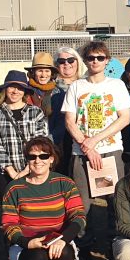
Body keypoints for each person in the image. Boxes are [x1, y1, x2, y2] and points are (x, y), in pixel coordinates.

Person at [1, 136, 86, 260]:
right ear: (27, 160)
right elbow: (8, 224)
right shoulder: (14, 188)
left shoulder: (64, 183)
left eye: (43, 156)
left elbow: (78, 216)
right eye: (32, 157)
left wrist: (63, 239)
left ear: (51, 159)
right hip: (26, 243)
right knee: (38, 255)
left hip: (58, 239)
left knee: (64, 252)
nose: (37, 161)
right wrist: (25, 242)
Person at [62, 40, 130, 260]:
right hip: (81, 153)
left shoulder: (116, 86)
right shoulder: (76, 87)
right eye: (91, 58)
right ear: (85, 61)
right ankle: (83, 247)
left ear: (107, 61)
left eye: (100, 58)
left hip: (110, 150)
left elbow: (124, 118)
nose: (95, 61)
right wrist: (86, 145)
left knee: (115, 201)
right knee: (82, 203)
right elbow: (69, 121)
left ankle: (116, 246)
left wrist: (94, 141)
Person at [0, 70, 50, 199]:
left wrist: (26, 170)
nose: (15, 91)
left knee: (32, 205)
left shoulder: (35, 112)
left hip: (33, 168)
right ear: (5, 89)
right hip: (5, 171)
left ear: (25, 91)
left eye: (20, 88)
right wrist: (11, 171)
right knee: (9, 207)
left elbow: (40, 142)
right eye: (12, 87)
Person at [46, 46, 82, 175]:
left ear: (77, 62)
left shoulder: (87, 85)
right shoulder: (49, 89)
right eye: (62, 61)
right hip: (58, 142)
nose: (66, 64)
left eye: (71, 60)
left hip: (82, 140)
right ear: (56, 65)